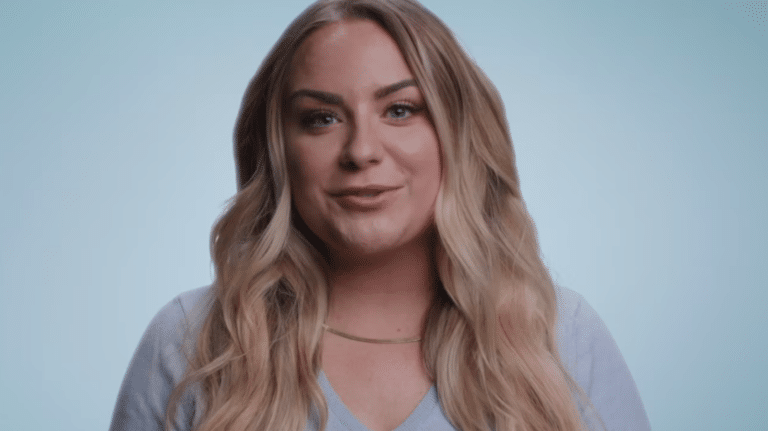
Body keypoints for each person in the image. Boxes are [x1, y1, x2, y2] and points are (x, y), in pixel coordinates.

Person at [109, 0, 651, 430]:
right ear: (279, 151)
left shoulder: (558, 336)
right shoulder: (192, 342)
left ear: (456, 136)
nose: (361, 150)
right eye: (321, 118)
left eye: (400, 110)